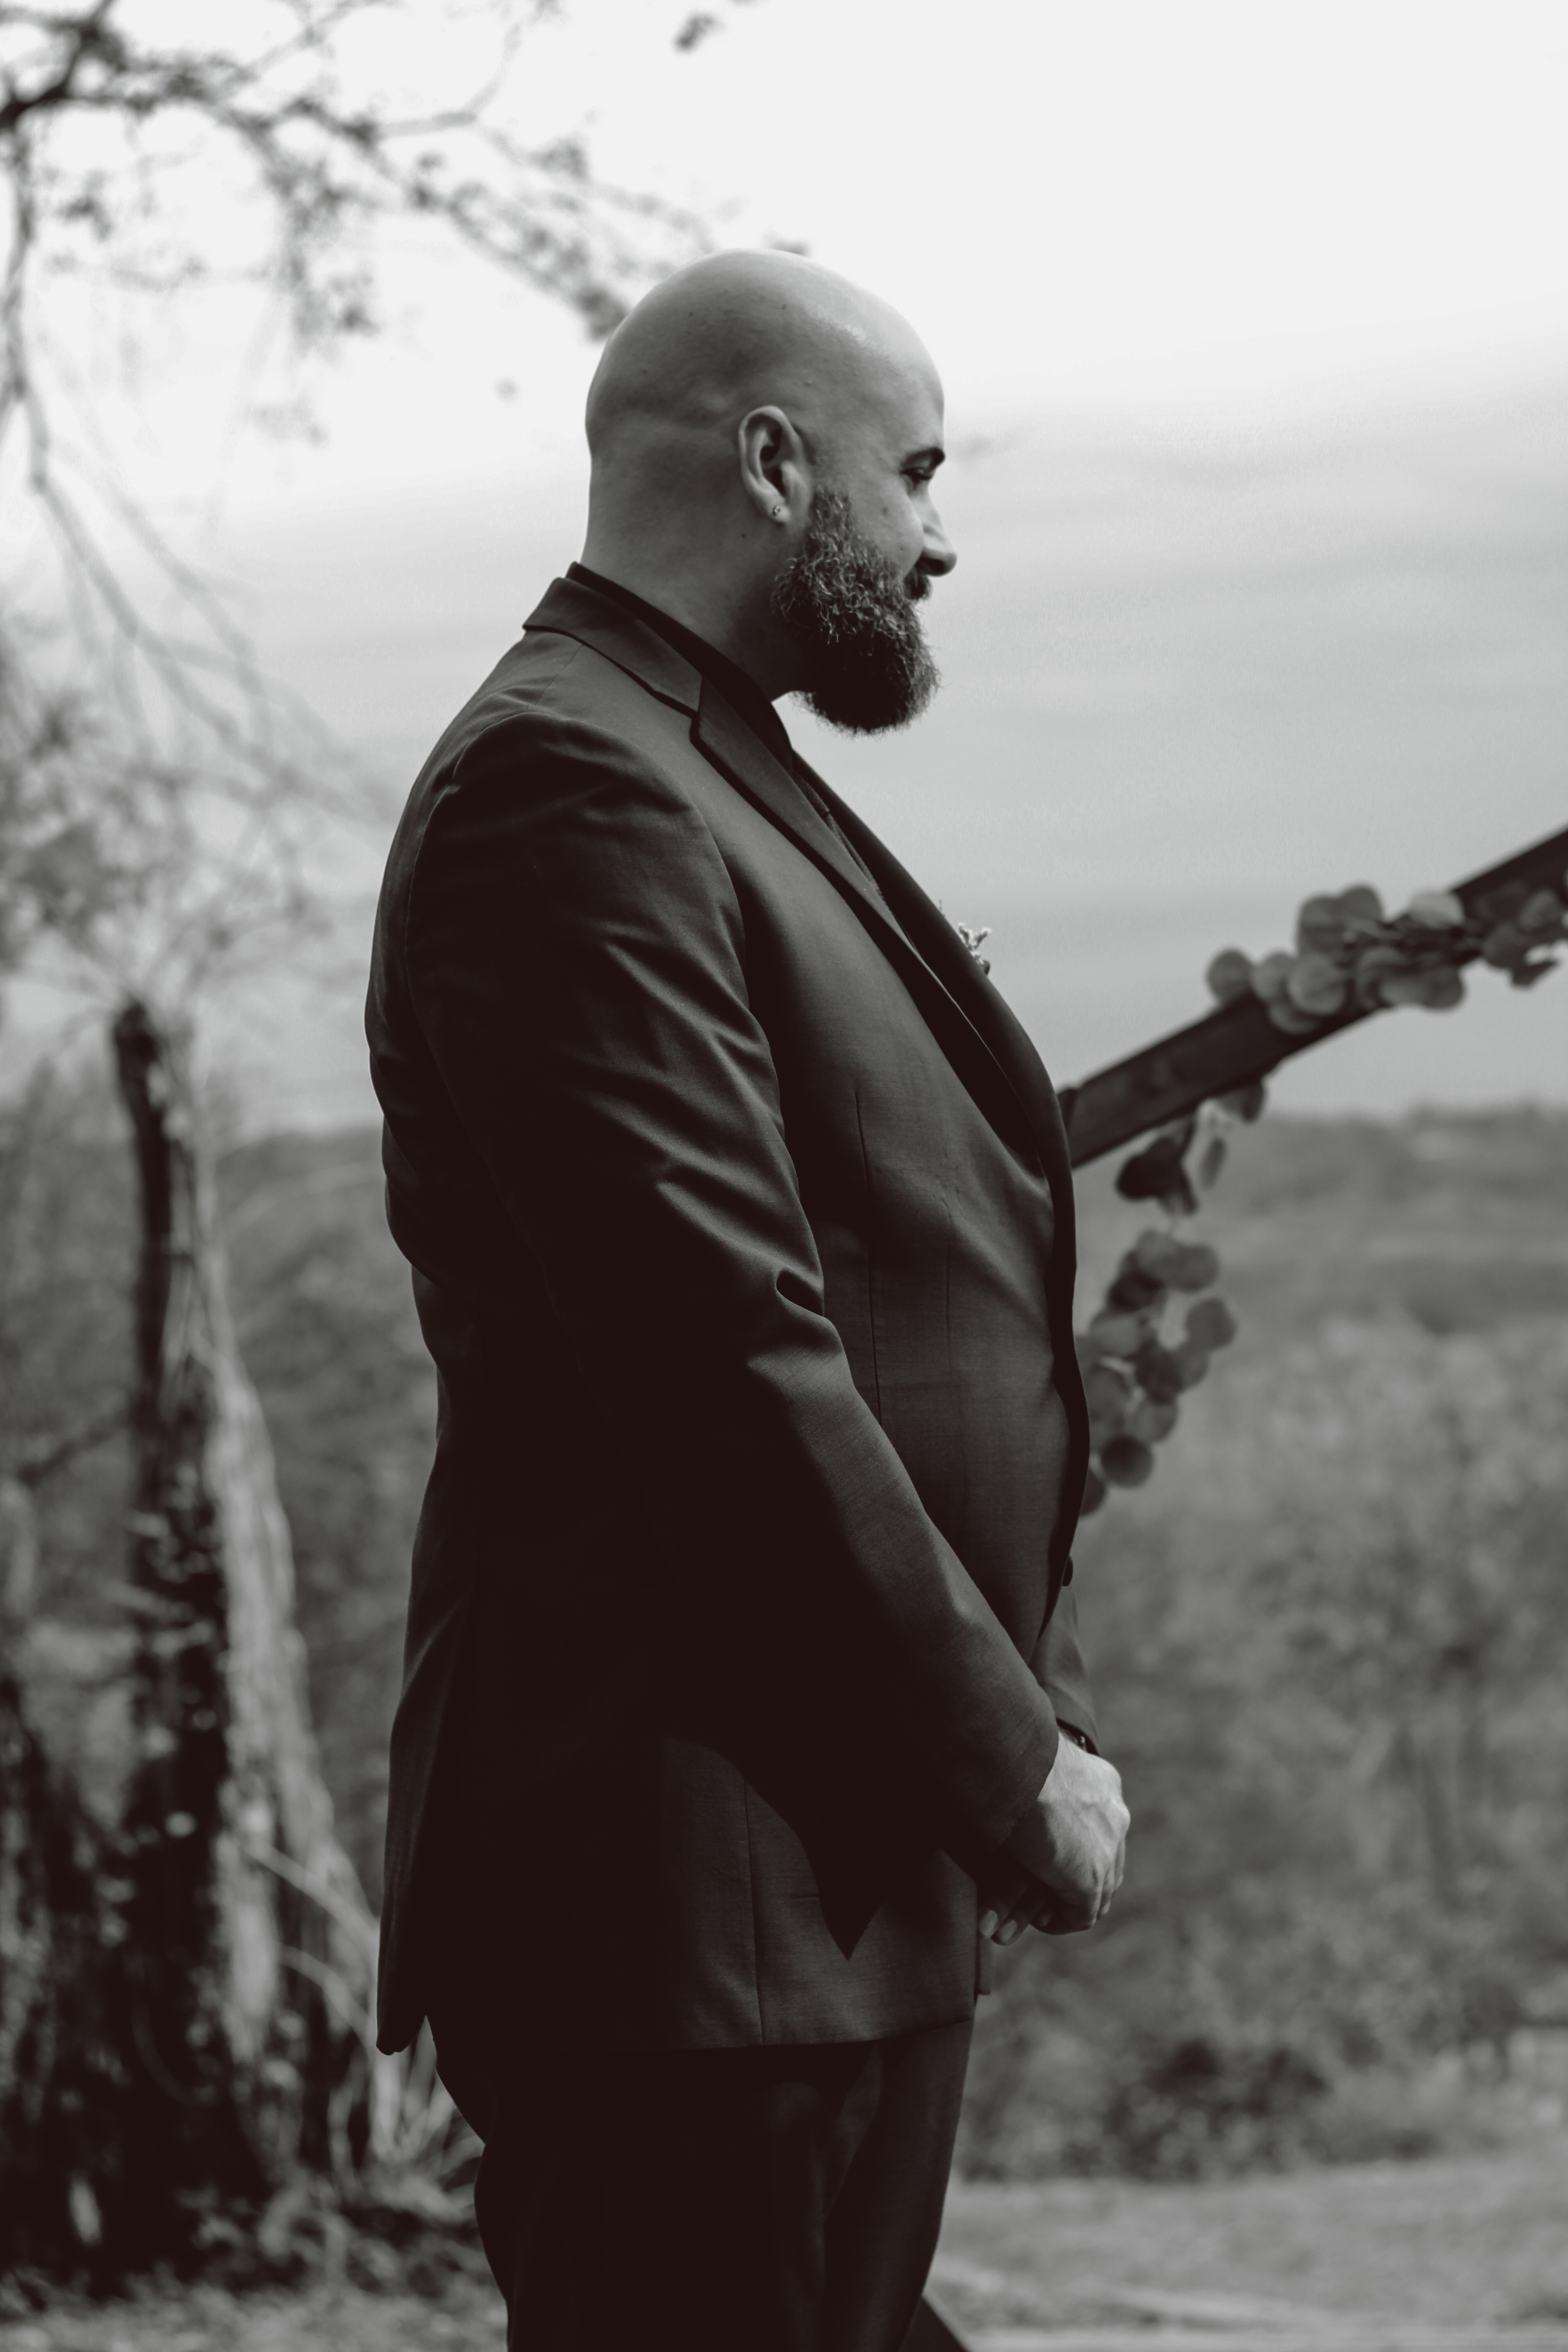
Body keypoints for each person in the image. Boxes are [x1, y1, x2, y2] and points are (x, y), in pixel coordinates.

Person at [365, 249, 1129, 2352]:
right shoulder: (569, 786)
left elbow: (923, 1291)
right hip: (690, 1906)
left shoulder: (699, 759)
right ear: (780, 464)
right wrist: (1008, 1764)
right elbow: (720, 1358)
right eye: (919, 472)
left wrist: (1034, 1710)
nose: (942, 537)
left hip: (819, 1886)